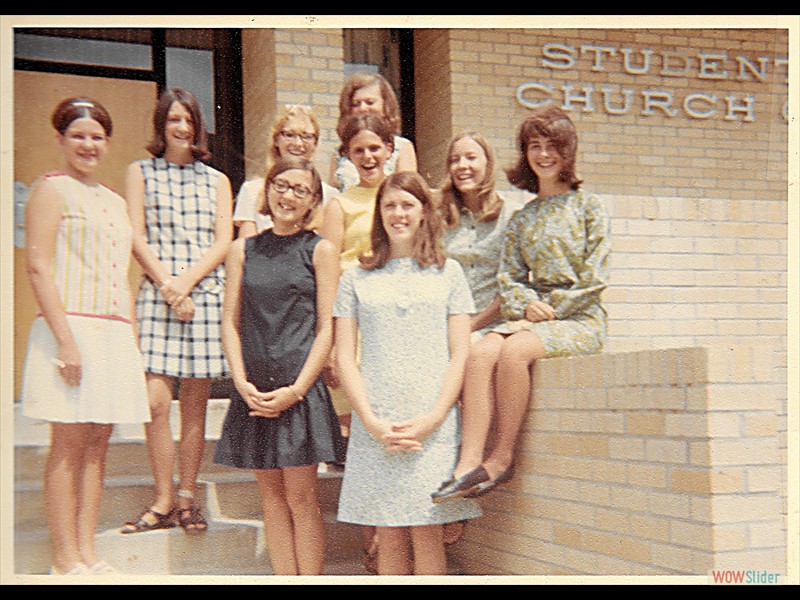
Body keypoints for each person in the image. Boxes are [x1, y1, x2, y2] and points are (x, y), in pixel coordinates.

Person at [432, 105, 610, 504]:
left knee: (513, 352)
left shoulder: (589, 207)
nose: (543, 154)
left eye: (552, 146)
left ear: (568, 153)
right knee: (480, 354)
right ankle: (468, 464)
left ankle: (501, 458)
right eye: (535, 146)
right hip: (534, 316)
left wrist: (551, 309)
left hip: (578, 318)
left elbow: (596, 276)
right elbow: (509, 278)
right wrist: (528, 304)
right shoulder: (523, 217)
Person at [20, 97, 150, 575]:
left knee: (99, 443)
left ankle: (88, 554)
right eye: (78, 135)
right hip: (69, 329)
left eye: (97, 136)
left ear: (108, 143)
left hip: (113, 333)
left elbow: (122, 277)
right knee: (69, 444)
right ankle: (64, 560)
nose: (88, 145)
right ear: (60, 140)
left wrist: (130, 342)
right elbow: (38, 266)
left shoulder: (115, 201)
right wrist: (66, 342)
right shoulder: (51, 190)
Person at [333, 171, 482, 576]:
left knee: (427, 528)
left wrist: (433, 419)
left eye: (407, 205)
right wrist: (371, 421)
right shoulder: (355, 278)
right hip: (378, 421)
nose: (398, 213)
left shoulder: (448, 273)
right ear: (378, 214)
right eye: (389, 205)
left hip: (431, 419)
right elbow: (344, 356)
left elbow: (460, 353)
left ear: (423, 213)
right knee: (389, 528)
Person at [213, 157, 345, 575]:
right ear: (266, 192)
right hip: (254, 390)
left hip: (297, 391)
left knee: (302, 498)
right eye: (281, 186)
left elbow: (327, 330)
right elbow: (230, 325)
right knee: (270, 497)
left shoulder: (320, 250)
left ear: (313, 201)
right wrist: (241, 382)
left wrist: (298, 389)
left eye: (300, 190)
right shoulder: (242, 249)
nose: (288, 195)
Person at [121, 87, 233, 534]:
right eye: (173, 120)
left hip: (203, 296)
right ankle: (162, 495)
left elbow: (222, 241)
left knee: (195, 406)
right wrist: (169, 287)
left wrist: (186, 284)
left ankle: (186, 497)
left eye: (188, 120)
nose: (182, 128)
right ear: (161, 126)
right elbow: (136, 235)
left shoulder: (217, 180)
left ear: (198, 126)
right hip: (158, 295)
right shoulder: (140, 172)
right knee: (155, 402)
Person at [432, 131, 525, 542]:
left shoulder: (509, 216)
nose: (462, 166)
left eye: (471, 158)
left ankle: (462, 481)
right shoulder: (440, 213)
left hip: (490, 321)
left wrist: (469, 325)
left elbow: (511, 286)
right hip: (444, 323)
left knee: (470, 361)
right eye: (455, 159)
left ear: (487, 164)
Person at [318, 112, 396, 571]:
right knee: (359, 440)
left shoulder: (403, 195)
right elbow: (328, 275)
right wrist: (329, 343)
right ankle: (371, 539)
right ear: (346, 154)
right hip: (354, 328)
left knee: (389, 427)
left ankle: (390, 534)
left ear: (389, 149)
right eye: (358, 149)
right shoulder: (338, 205)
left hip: (394, 327)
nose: (368, 157)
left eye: (375, 148)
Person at [233, 104, 336, 238]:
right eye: (289, 135)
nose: (298, 143)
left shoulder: (330, 195)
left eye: (306, 137)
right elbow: (246, 248)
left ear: (315, 143)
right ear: (276, 139)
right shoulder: (251, 190)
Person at [328, 71, 417, 191]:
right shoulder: (339, 152)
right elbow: (331, 193)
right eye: (355, 104)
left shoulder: (402, 147)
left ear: (385, 105)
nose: (363, 108)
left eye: (370, 102)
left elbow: (408, 191)